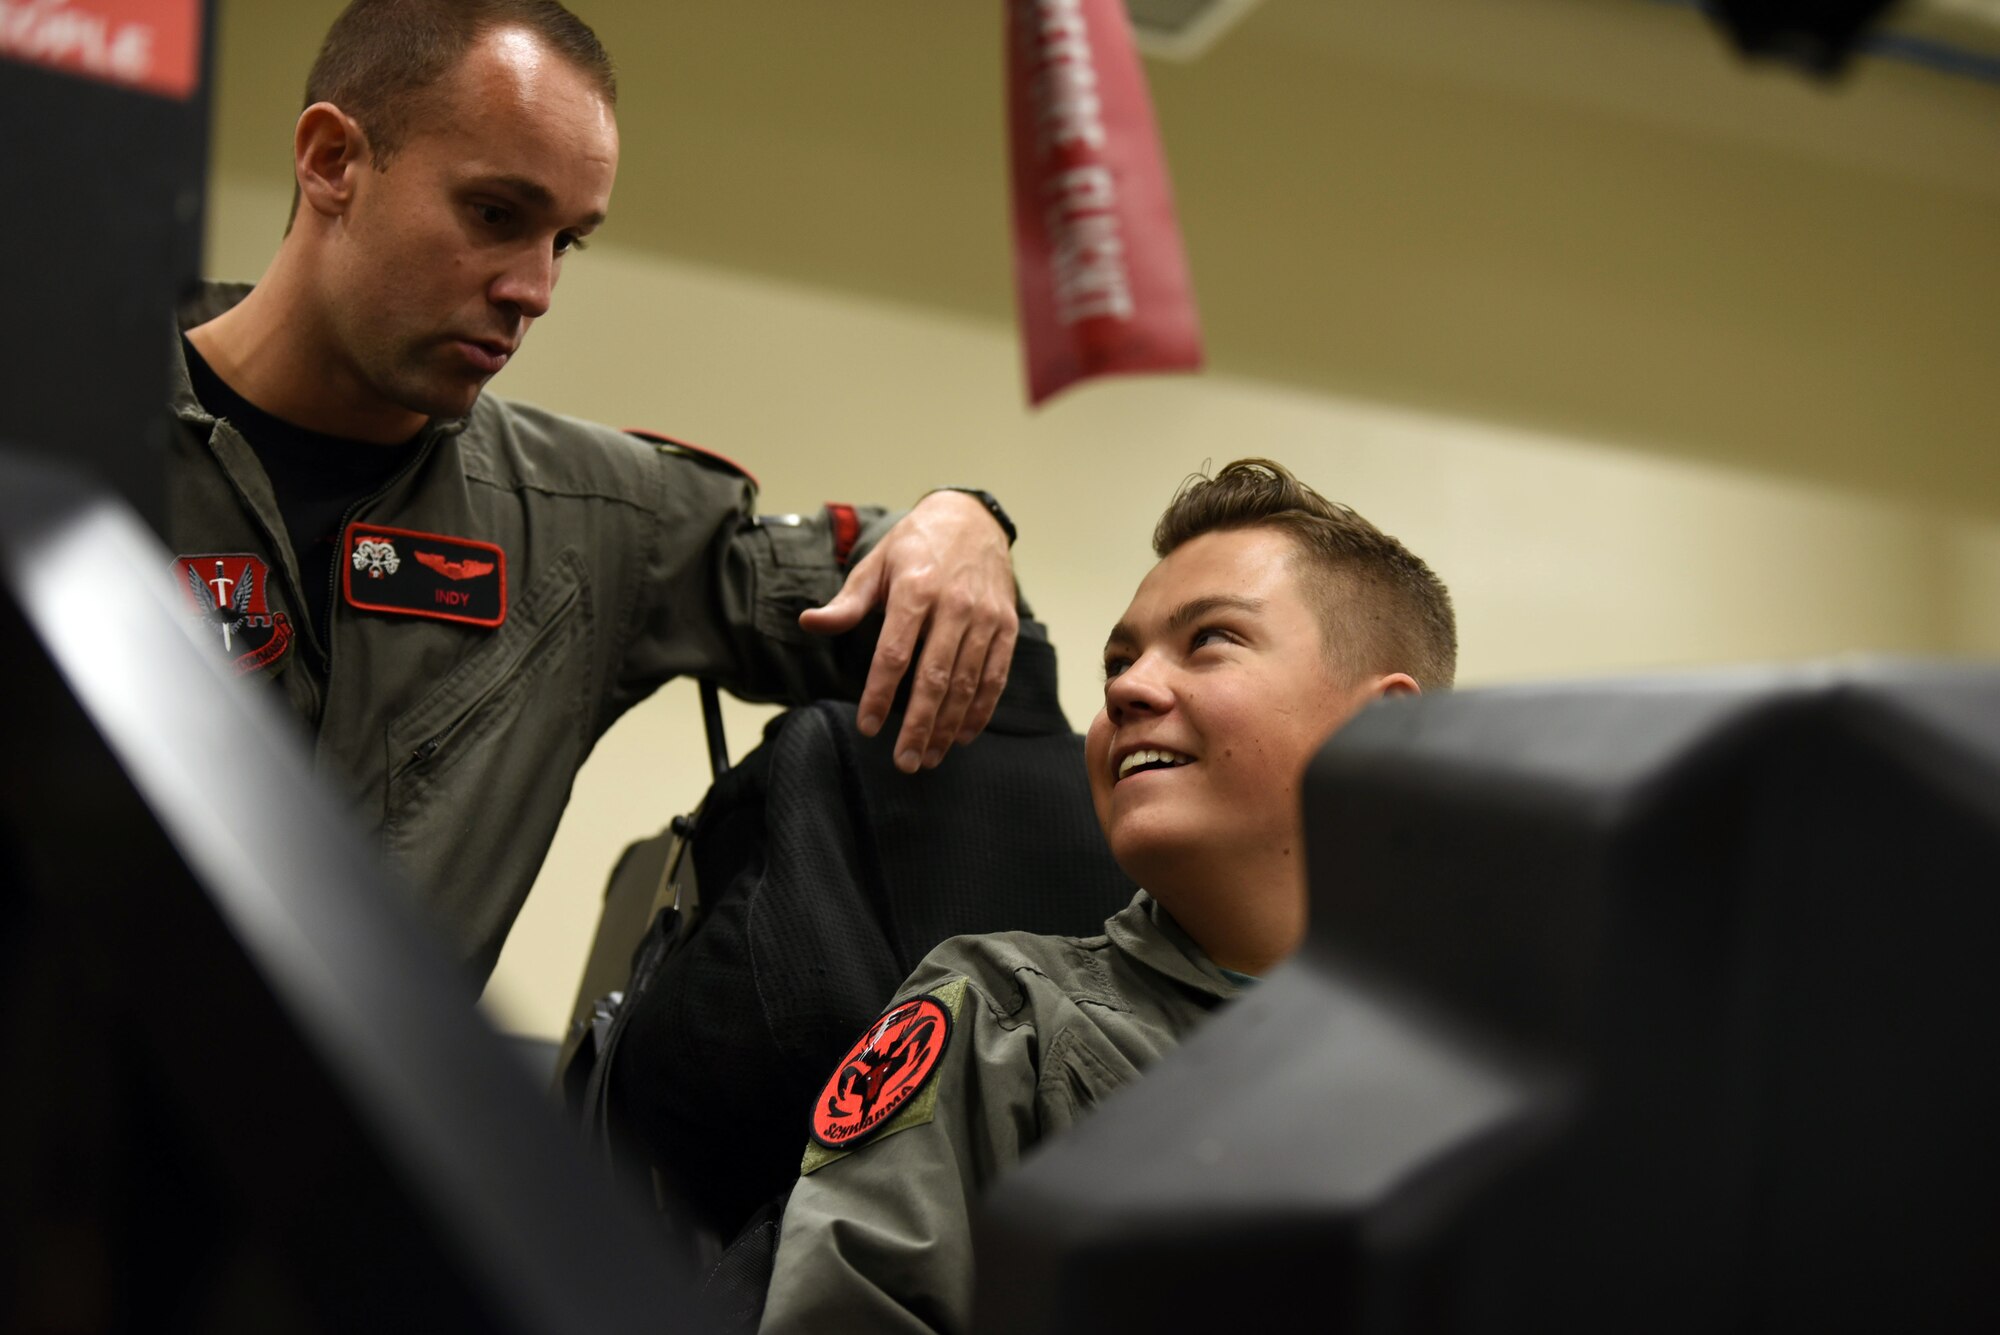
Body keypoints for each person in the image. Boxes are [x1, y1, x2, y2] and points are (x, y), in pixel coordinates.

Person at [168, 0, 1022, 980]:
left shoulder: (593, 521)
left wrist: (965, 518)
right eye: (495, 215)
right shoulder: (64, 432)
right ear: (330, 161)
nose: (532, 289)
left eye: (566, 241)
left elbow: (881, 573)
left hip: (357, 1123)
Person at [758, 459, 1457, 1334]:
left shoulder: (1512, 1052)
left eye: (1209, 640)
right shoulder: (1006, 1020)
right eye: (1119, 662)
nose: (1126, 688)